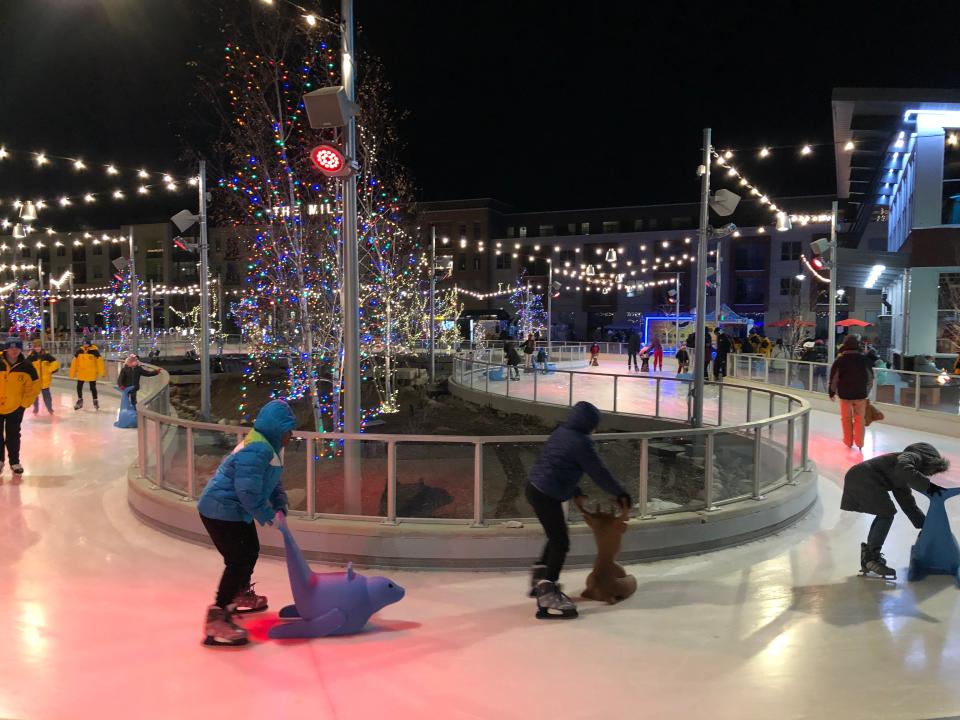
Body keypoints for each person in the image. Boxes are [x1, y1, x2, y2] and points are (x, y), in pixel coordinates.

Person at [197, 399, 297, 647]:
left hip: (235, 510)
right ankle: (218, 616)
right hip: (220, 510)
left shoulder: (270, 447)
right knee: (238, 559)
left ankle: (239, 594)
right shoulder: (257, 450)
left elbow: (271, 481)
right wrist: (266, 515)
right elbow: (247, 491)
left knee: (250, 550)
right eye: (288, 430)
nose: (292, 435)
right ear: (277, 430)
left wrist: (280, 503)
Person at [525, 401, 630, 619]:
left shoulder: (561, 432)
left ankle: (539, 578)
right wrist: (620, 493)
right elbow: (598, 472)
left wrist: (575, 490)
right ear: (589, 424)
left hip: (535, 487)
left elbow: (558, 464)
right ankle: (547, 592)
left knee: (555, 536)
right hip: (547, 493)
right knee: (561, 542)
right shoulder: (581, 442)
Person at [841, 442, 950, 579]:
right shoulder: (912, 456)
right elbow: (905, 468)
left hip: (862, 477)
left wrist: (925, 525)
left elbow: (909, 505)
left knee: (885, 513)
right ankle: (870, 558)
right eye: (930, 472)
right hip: (863, 477)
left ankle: (869, 556)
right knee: (887, 513)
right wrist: (930, 487)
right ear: (929, 460)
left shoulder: (900, 476)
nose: (928, 475)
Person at [0, 338, 40, 476]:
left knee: (13, 435)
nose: (14, 350)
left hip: (15, 407)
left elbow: (35, 387)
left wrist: (24, 404)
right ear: (6, 348)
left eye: (17, 348)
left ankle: (14, 462)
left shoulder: (27, 366)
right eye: (11, 348)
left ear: (20, 349)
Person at [829, 334, 874, 450]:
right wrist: (866, 392)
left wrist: (832, 392)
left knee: (846, 418)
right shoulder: (864, 360)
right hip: (860, 395)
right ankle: (859, 443)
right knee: (860, 419)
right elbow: (870, 378)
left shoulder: (840, 360)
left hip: (845, 395)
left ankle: (848, 441)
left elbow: (834, 378)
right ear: (857, 345)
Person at [70, 336, 105, 410]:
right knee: (79, 387)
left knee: (92, 387)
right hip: (81, 373)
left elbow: (100, 362)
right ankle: (80, 400)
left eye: (86, 344)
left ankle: (95, 400)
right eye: (84, 344)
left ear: (89, 344)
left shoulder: (94, 351)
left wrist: (101, 372)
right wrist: (72, 373)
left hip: (91, 373)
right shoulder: (79, 351)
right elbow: (74, 362)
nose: (85, 345)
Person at [26, 338, 59, 415]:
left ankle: (50, 408)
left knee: (47, 396)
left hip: (45, 380)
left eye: (39, 346)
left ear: (41, 347)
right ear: (33, 347)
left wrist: (50, 370)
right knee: (34, 396)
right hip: (35, 380)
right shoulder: (31, 356)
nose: (37, 348)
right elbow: (26, 366)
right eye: (36, 347)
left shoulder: (46, 355)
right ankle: (36, 408)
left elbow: (55, 363)